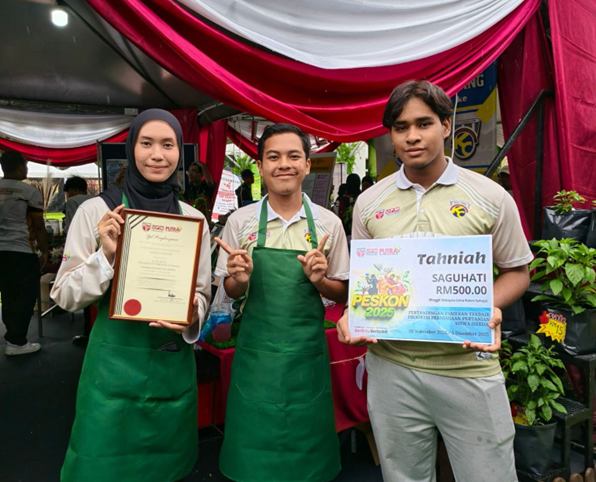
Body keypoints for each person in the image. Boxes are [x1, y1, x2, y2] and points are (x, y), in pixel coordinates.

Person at [337, 80, 532, 482]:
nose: (412, 136)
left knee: (489, 475)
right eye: (401, 127)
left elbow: (517, 271)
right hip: (392, 369)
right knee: (402, 476)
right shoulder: (370, 202)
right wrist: (352, 314)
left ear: (445, 126)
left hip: (468, 368)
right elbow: (367, 281)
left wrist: (489, 306)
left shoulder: (491, 196)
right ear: (391, 135)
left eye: (423, 123)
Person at [51, 110, 212, 482]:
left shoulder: (193, 220)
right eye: (146, 143)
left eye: (168, 145)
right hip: (111, 373)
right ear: (130, 148)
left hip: (171, 366)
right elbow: (64, 295)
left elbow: (202, 293)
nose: (157, 155)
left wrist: (192, 315)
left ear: (180, 152)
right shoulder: (98, 212)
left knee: (167, 469)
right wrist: (105, 256)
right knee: (102, 466)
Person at [214, 123, 350, 482]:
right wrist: (240, 279)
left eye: (293, 156)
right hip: (255, 357)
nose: (284, 164)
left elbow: (343, 292)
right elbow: (229, 290)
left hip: (307, 355)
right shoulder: (240, 222)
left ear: (307, 164)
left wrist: (321, 281)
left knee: (308, 460)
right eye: (273, 157)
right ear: (260, 166)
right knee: (253, 457)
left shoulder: (329, 224)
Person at [0, 151, 48, 356]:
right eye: (26, 165)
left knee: (7, 294)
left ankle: (14, 337)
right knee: (24, 297)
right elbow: (38, 226)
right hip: (21, 251)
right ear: (20, 167)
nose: (27, 169)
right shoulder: (29, 191)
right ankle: (17, 341)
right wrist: (45, 251)